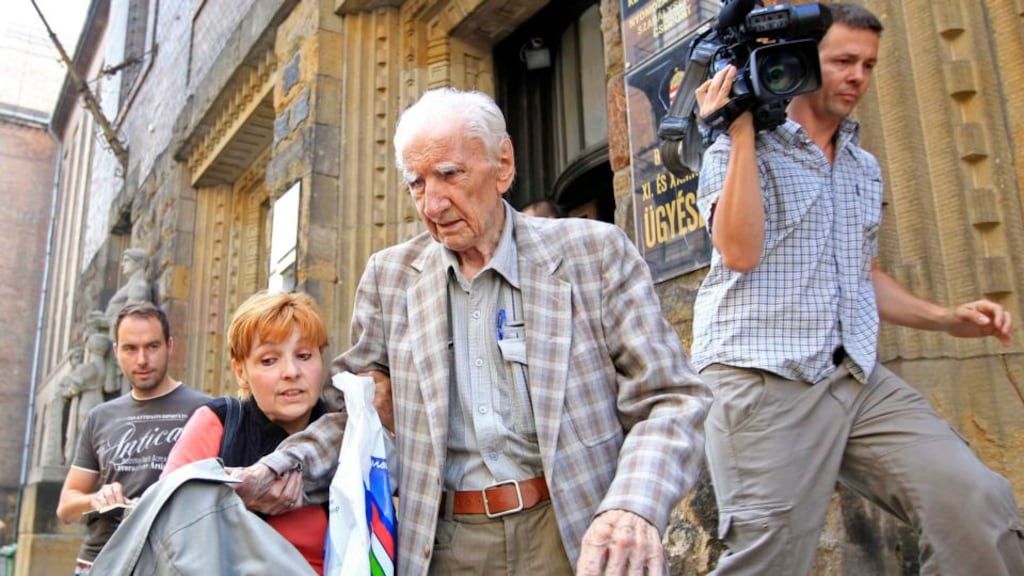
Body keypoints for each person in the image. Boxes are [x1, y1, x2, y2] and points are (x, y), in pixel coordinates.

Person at [232, 87, 711, 575]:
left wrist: (632, 504)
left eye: (448, 175)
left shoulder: (594, 254)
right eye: (416, 184)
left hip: (576, 531)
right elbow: (356, 420)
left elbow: (669, 397)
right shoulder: (389, 278)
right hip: (446, 545)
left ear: (502, 165)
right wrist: (284, 466)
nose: (432, 204)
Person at [691, 4, 1024, 575]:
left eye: (868, 65)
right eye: (843, 61)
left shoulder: (861, 165)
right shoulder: (737, 150)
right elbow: (739, 252)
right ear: (798, 61)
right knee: (768, 561)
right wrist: (741, 129)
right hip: (763, 381)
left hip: (854, 377)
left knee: (975, 501)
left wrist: (947, 318)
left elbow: (860, 274)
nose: (858, 77)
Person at [162, 291, 331, 574]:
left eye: (304, 355)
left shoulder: (347, 430)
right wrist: (234, 499)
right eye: (268, 360)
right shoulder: (217, 423)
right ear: (241, 371)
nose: (291, 371)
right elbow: (163, 515)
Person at [55, 302, 210, 575]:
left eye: (152, 346)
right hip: (98, 562)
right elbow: (66, 507)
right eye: (130, 348)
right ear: (116, 352)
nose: (142, 359)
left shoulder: (207, 410)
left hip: (170, 564)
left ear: (169, 346)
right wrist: (97, 499)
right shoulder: (100, 417)